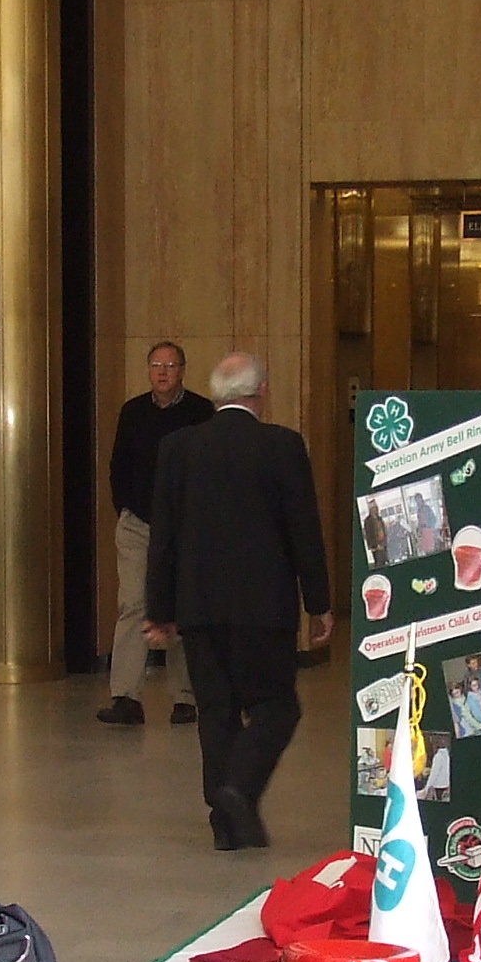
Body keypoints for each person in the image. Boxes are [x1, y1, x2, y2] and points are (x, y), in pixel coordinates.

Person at [144, 351, 331, 852]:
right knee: (276, 706)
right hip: (263, 607)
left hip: (199, 606)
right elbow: (303, 532)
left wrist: (160, 610)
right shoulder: (282, 446)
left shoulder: (179, 447)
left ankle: (227, 822)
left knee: (217, 710)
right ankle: (237, 790)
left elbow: (163, 535)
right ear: (260, 391)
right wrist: (320, 602)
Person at [98, 340, 212, 727]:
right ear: (148, 371)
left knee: (181, 607)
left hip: (184, 527)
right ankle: (125, 696)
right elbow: (119, 466)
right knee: (134, 603)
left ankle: (185, 698)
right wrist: (126, 507)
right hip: (138, 524)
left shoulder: (200, 412)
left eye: (171, 365)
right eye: (156, 365)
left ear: (182, 370)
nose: (162, 372)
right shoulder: (133, 412)